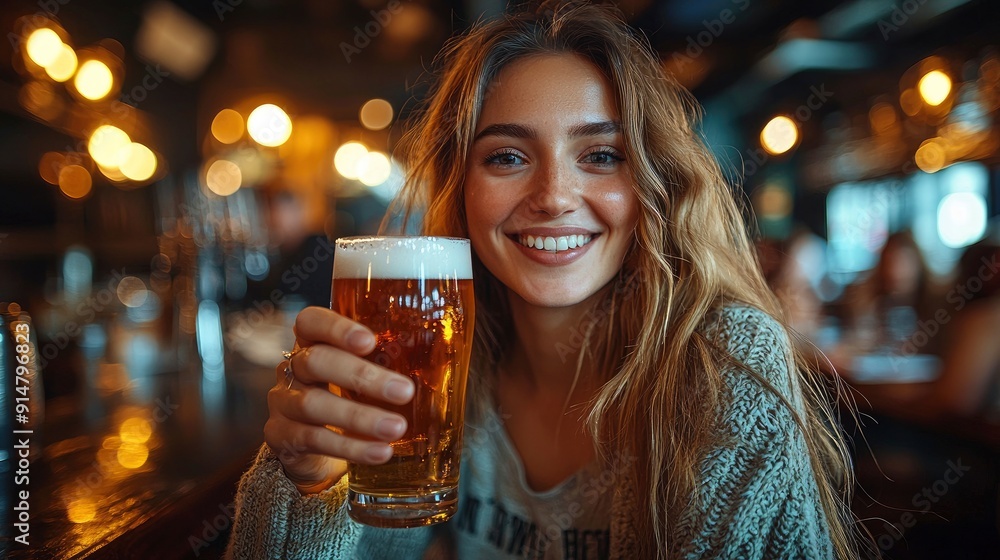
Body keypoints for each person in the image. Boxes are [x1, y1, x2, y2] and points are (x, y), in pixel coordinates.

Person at [226, 3, 864, 559]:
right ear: (462, 187)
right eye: (507, 156)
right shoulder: (448, 374)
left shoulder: (723, 361)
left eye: (601, 155)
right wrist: (311, 485)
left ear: (654, 182)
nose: (555, 196)